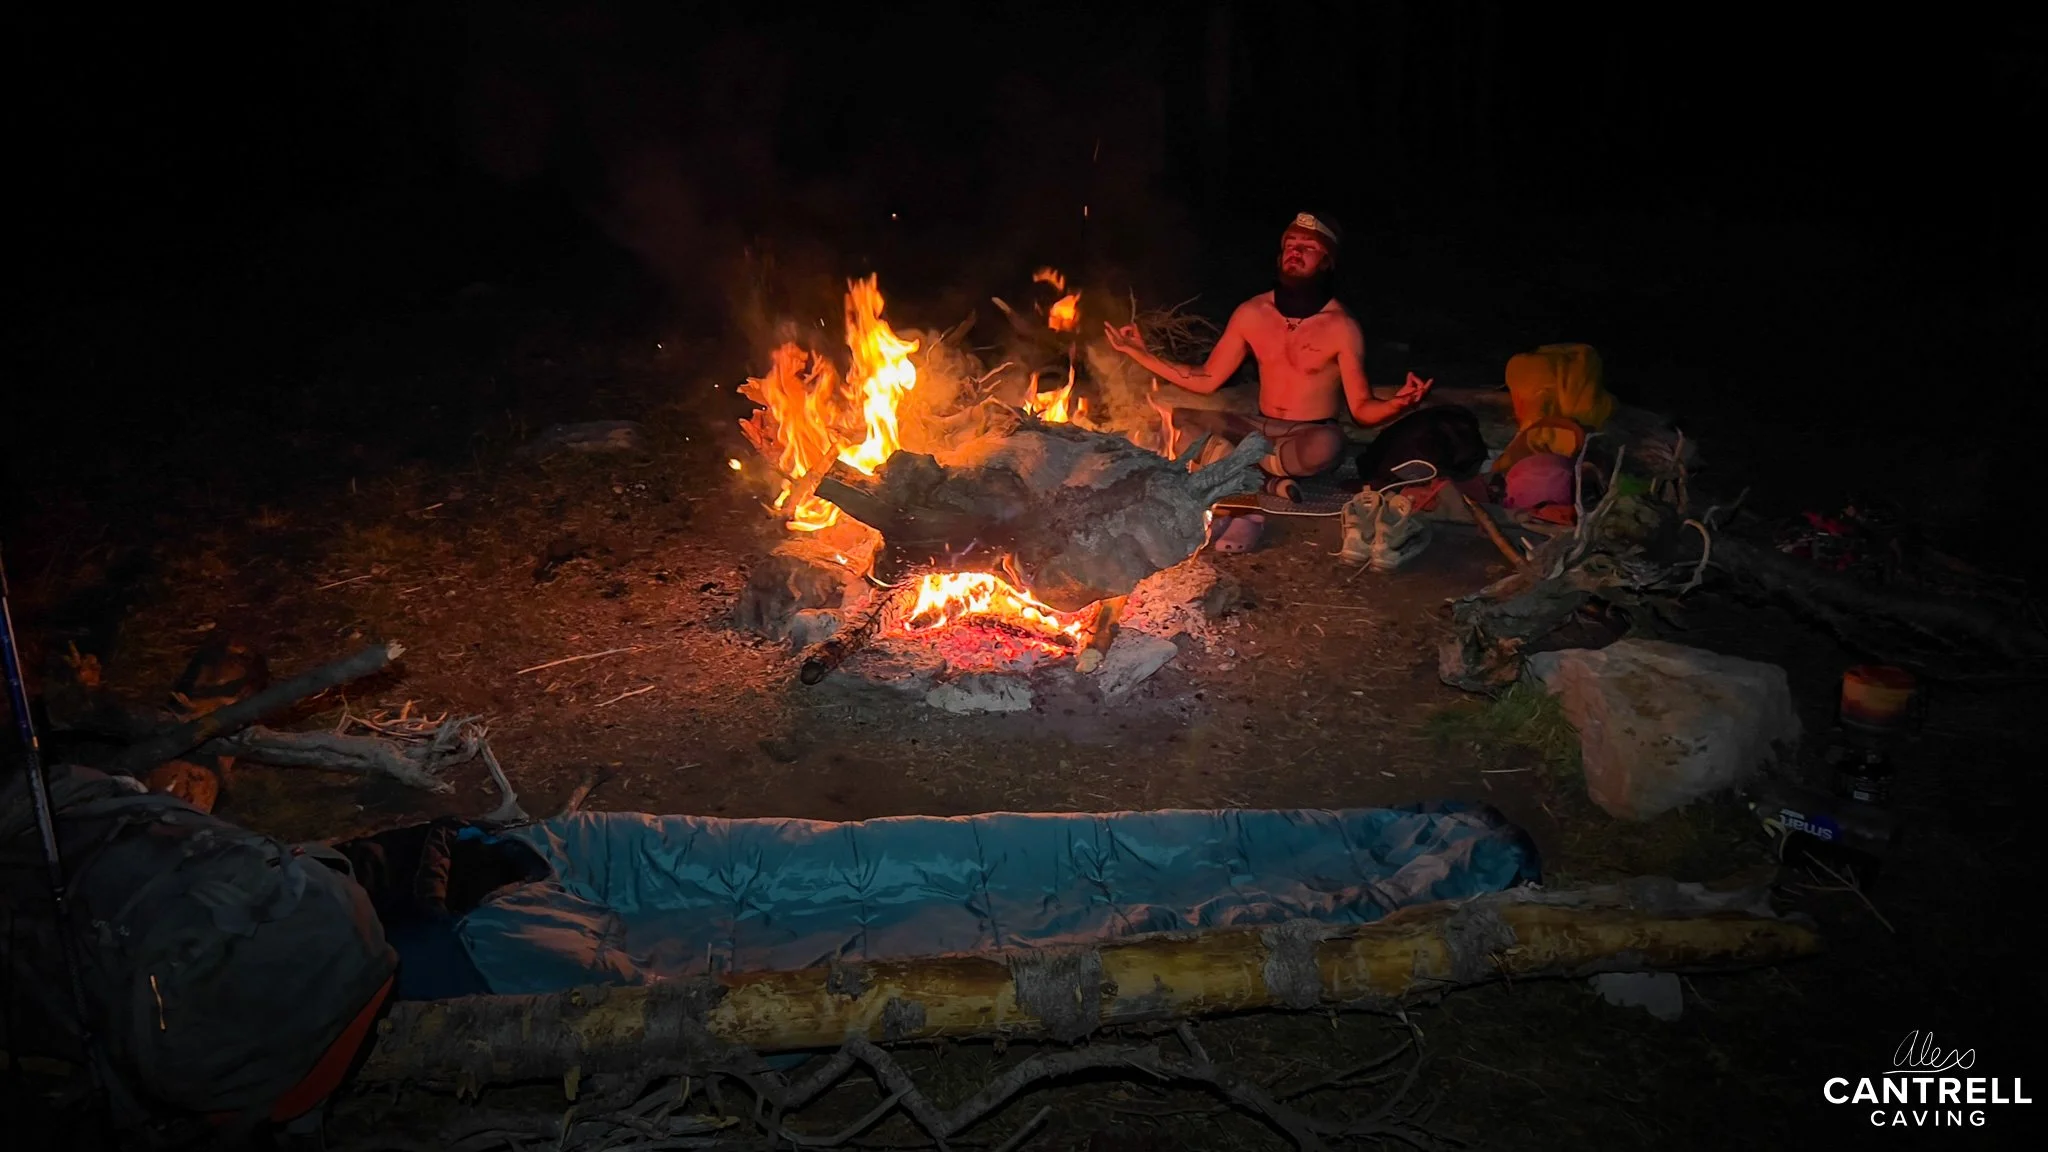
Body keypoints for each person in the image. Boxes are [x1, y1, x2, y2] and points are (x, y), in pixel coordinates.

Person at [1102, 212, 1432, 500]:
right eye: (1291, 244)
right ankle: (1267, 478)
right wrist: (1140, 353)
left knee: (1327, 446)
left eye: (1309, 247)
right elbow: (1205, 379)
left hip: (1307, 434)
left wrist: (1397, 404)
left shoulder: (1342, 327)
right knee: (1175, 420)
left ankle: (1242, 469)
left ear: (1327, 262)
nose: (1296, 252)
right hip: (1257, 428)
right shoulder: (1252, 313)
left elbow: (1361, 410)